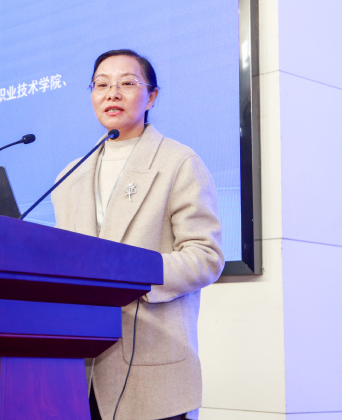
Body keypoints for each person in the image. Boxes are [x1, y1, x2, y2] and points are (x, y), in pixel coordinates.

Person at [52, 49, 225, 420]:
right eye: (102, 85)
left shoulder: (178, 162)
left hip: (152, 369)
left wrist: (133, 271)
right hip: (81, 373)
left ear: (152, 96)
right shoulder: (69, 175)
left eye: (127, 83)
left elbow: (206, 256)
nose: (112, 93)